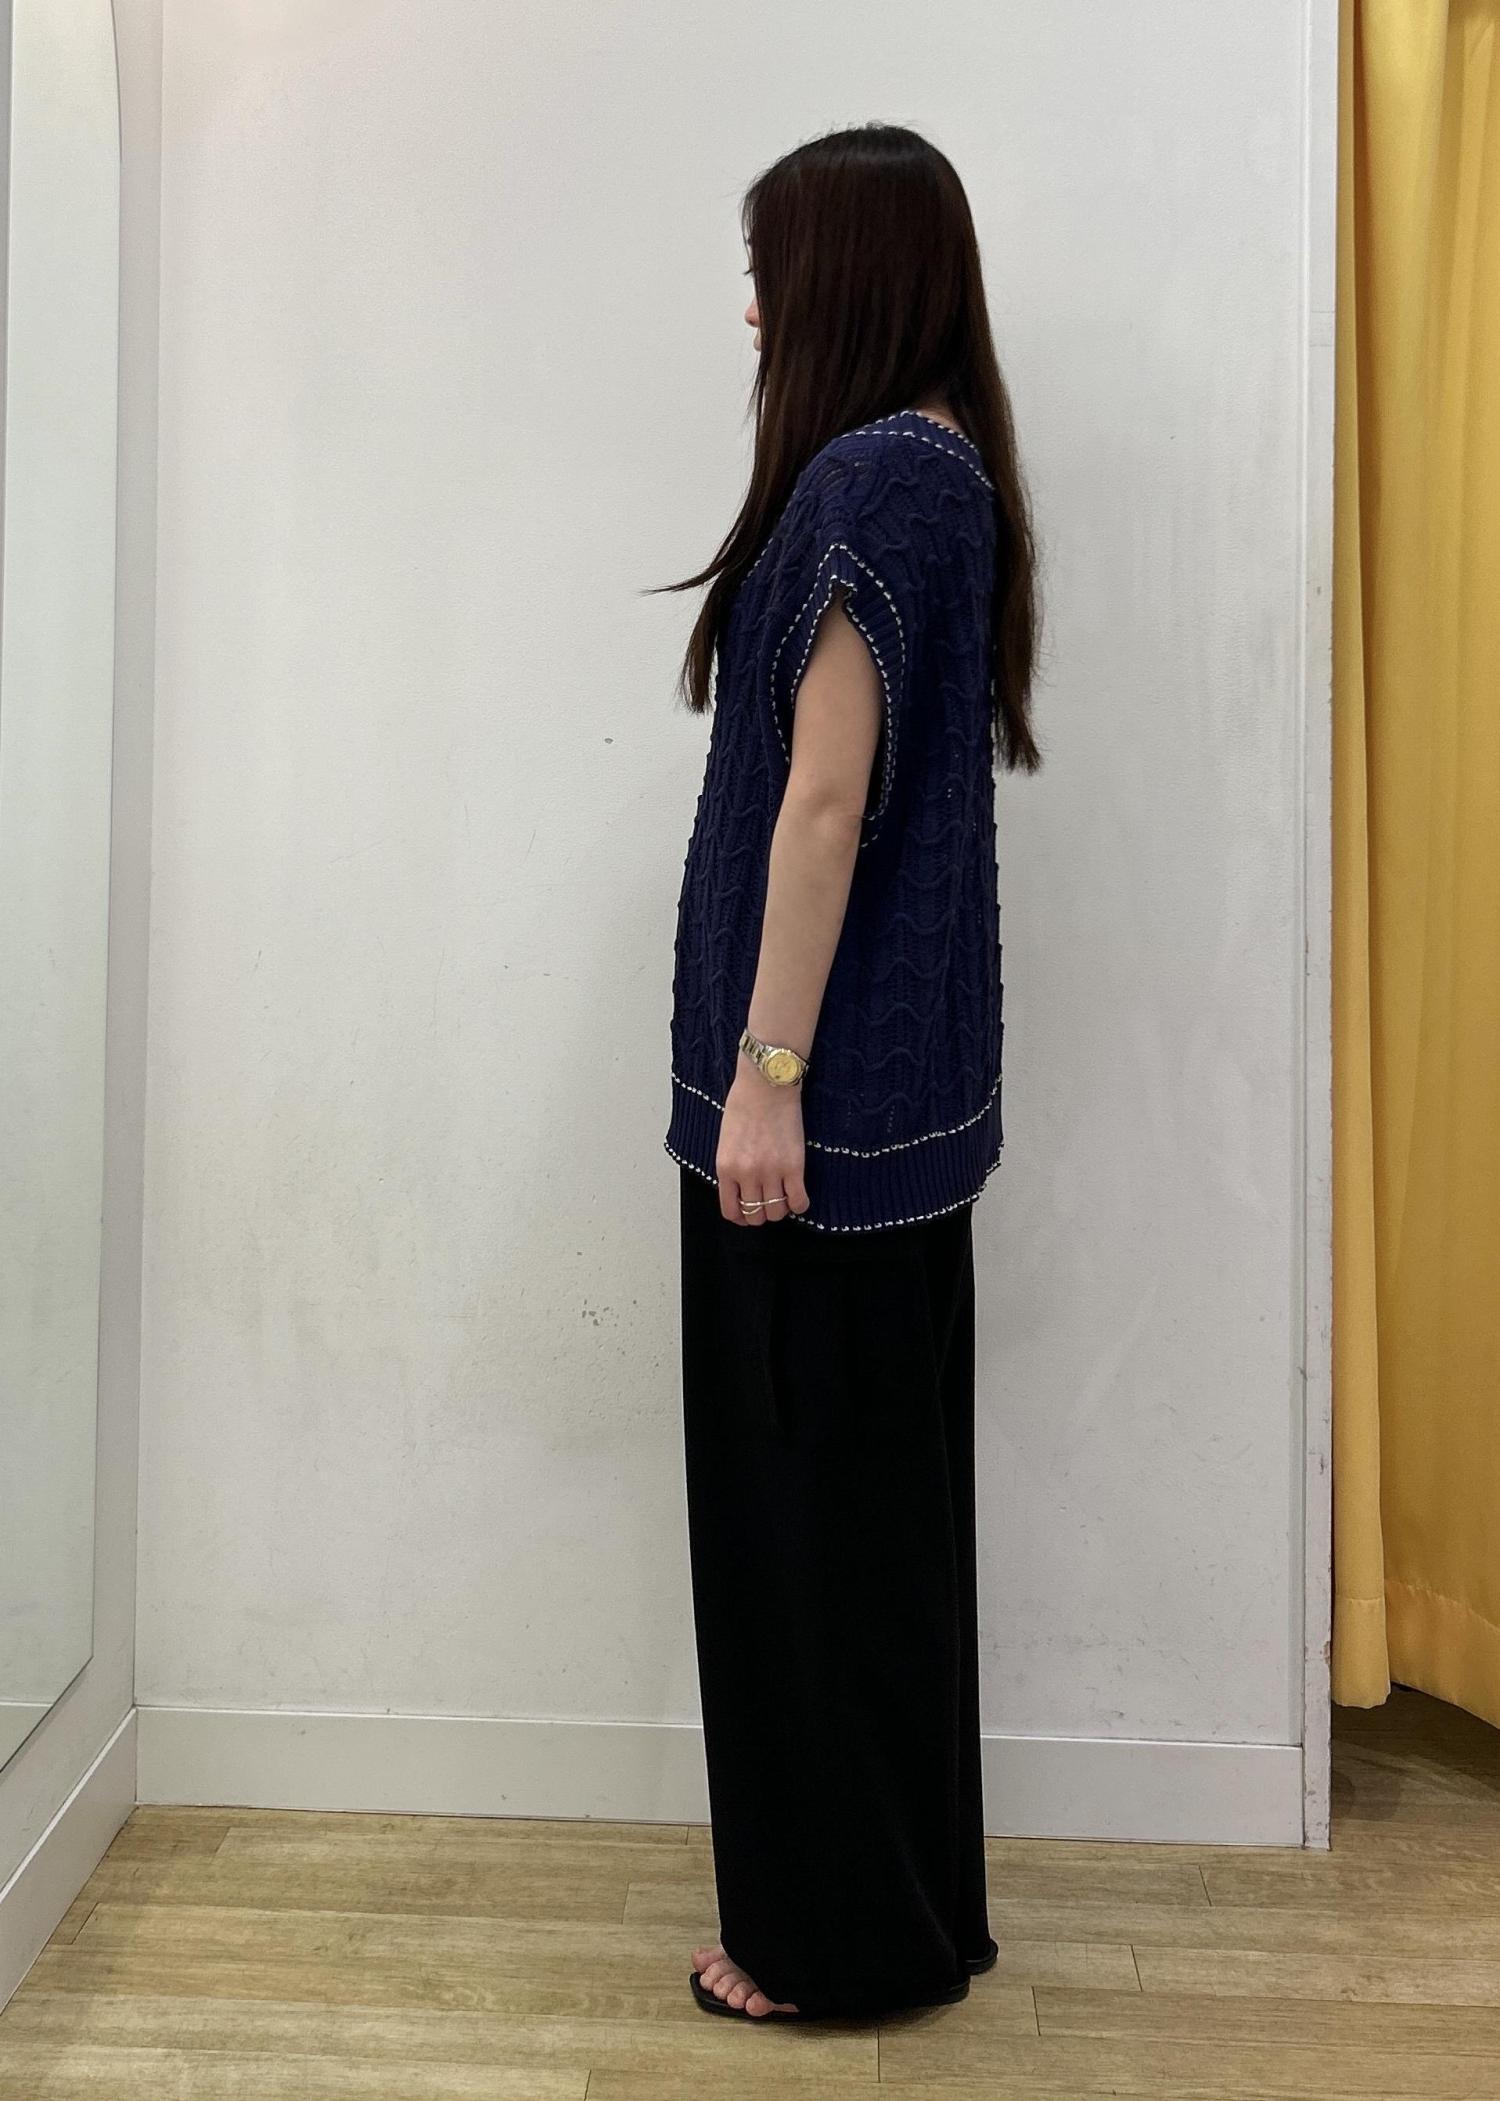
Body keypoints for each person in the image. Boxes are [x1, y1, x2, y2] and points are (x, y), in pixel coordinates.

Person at [657, 120, 1041, 2024]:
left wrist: (765, 1074)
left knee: (800, 1542)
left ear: (848, 279)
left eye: (772, 273)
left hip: (814, 1123)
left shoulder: (874, 477)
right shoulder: (944, 468)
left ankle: (831, 1944)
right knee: (878, 1538)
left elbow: (824, 805)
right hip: (893, 1118)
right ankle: (906, 1912)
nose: (754, 310)